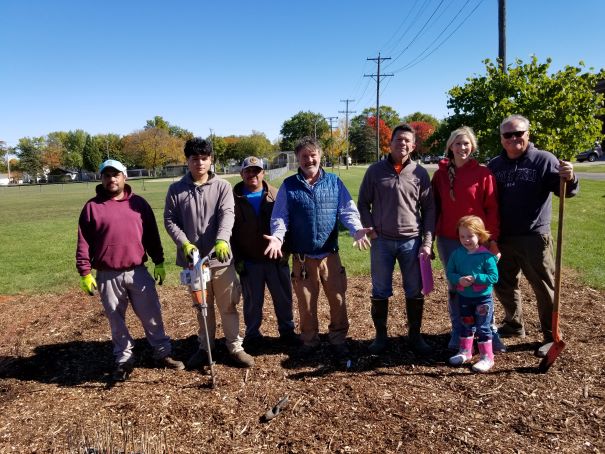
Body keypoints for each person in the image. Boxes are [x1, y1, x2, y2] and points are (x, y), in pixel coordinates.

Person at [76, 159, 184, 382]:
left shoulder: (139, 204)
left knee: (152, 314)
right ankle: (124, 358)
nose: (111, 179)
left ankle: (162, 352)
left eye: (116, 174)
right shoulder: (92, 207)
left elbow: (152, 236)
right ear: (101, 178)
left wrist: (159, 261)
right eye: (107, 175)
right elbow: (83, 242)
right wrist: (85, 272)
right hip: (107, 274)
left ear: (125, 176)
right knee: (116, 320)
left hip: (138, 271)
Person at [264, 137, 371, 362]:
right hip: (302, 258)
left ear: (320, 156)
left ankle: (338, 339)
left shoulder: (334, 182)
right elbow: (280, 217)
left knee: (338, 300)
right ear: (298, 159)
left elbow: (347, 211)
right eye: (304, 156)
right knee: (305, 304)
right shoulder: (289, 186)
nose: (309, 159)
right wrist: (277, 237)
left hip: (329, 255)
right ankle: (309, 340)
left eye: (313, 155)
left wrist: (357, 229)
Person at [487, 114, 579, 357]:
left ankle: (551, 335)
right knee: (503, 283)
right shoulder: (495, 165)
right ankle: (514, 325)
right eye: (508, 134)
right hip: (503, 236)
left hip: (533, 237)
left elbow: (566, 192)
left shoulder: (543, 159)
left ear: (528, 134)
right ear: (502, 138)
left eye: (519, 133)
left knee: (543, 287)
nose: (514, 138)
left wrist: (570, 178)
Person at [164, 138, 254, 368]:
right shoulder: (176, 189)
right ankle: (206, 348)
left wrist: (223, 239)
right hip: (193, 263)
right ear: (187, 161)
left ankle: (234, 347)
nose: (200, 163)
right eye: (195, 159)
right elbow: (170, 220)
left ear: (210, 159)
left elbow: (227, 214)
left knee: (228, 305)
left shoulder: (222, 186)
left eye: (204, 158)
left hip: (220, 260)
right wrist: (184, 243)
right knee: (202, 308)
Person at [358, 123, 436, 356]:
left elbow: (429, 209)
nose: (402, 144)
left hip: (411, 241)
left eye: (407, 141)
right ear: (390, 143)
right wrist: (369, 226)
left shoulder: (420, 173)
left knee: (414, 290)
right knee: (380, 290)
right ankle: (381, 336)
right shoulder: (375, 171)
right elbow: (363, 202)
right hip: (381, 241)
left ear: (412, 146)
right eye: (398, 139)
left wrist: (427, 242)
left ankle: (415, 335)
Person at [431, 126, 505, 352]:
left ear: (472, 147)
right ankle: (459, 331)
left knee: (482, 286)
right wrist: (430, 239)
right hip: (449, 240)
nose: (462, 148)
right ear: (450, 147)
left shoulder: (483, 174)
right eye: (457, 143)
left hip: (477, 240)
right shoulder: (440, 175)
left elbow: (491, 208)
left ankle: (488, 331)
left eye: (466, 144)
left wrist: (491, 240)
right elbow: (434, 208)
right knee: (456, 286)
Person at [231, 156, 299, 351]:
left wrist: (286, 251)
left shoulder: (277, 195)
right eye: (248, 171)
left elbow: (289, 224)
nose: (252, 174)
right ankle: (252, 335)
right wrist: (238, 259)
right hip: (249, 261)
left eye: (256, 170)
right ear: (241, 173)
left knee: (283, 298)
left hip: (276, 260)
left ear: (263, 173)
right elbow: (230, 233)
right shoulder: (233, 199)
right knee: (252, 302)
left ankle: (287, 331)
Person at [446, 215, 499, 373]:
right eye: (462, 236)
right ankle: (465, 352)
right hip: (465, 298)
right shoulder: (457, 254)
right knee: (466, 324)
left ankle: (487, 357)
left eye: (470, 236)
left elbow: (493, 277)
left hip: (483, 299)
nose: (466, 240)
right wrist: (458, 280)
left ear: (480, 235)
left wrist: (476, 278)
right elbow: (450, 272)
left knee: (483, 327)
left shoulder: (486, 256)